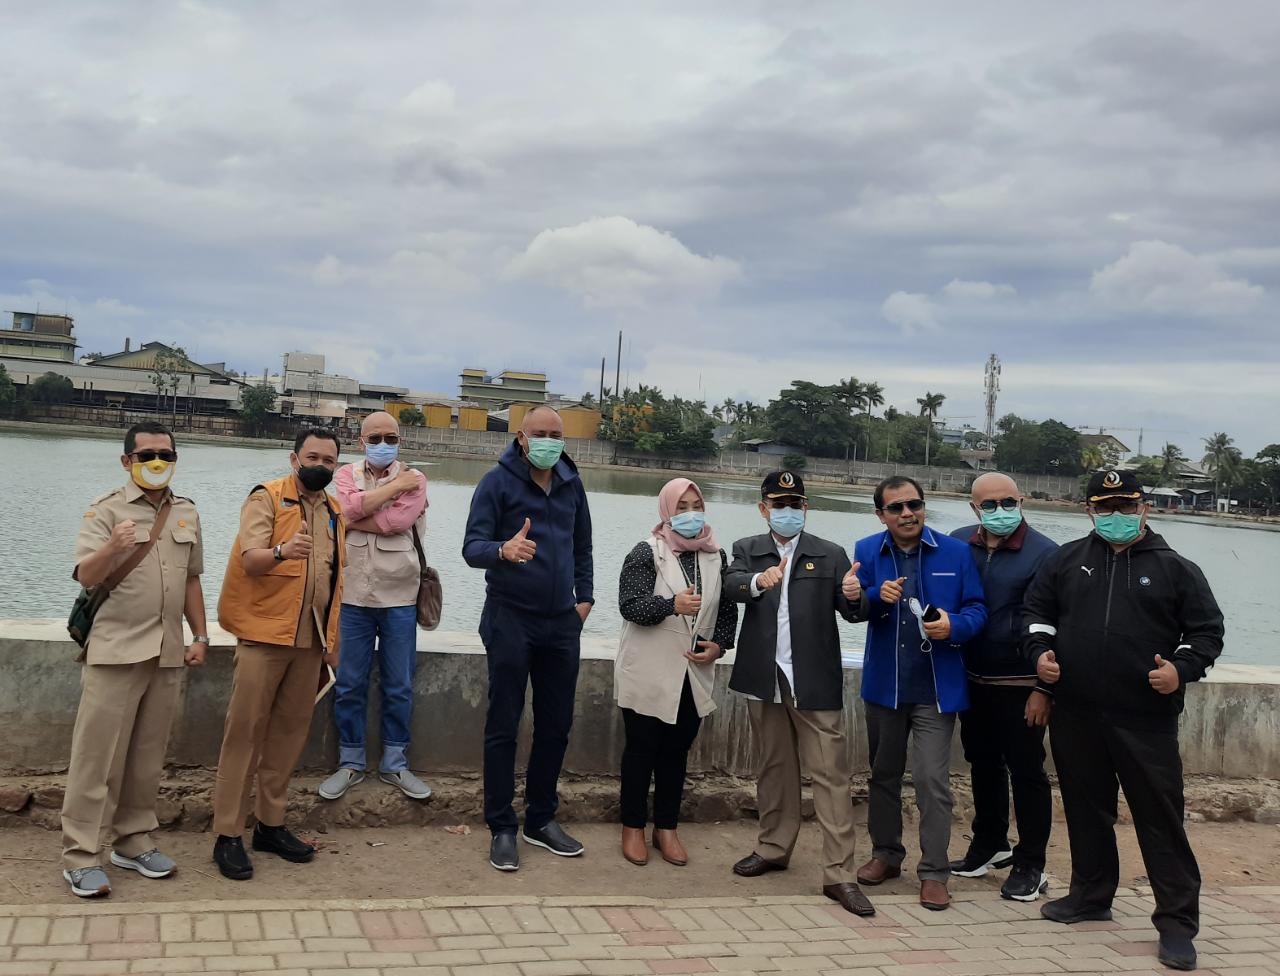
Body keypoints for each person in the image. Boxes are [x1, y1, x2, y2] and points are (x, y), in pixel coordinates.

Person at [1024, 469, 1224, 972]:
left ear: (1144, 509)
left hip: (1145, 720)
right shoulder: (1065, 561)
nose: (1116, 516)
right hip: (1076, 714)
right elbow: (1035, 615)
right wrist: (1040, 655)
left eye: (1125, 506)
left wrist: (1179, 670)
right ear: (1089, 511)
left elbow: (1206, 634)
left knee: (1160, 820)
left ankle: (1177, 924)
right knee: (1086, 810)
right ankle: (1090, 896)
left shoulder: (1177, 569)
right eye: (1105, 507)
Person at [60, 422, 209, 897]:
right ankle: (82, 855)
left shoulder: (186, 511)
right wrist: (113, 547)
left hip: (166, 650)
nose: (157, 462)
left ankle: (133, 840)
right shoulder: (106, 510)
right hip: (115, 649)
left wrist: (201, 634)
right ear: (127, 461)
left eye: (166, 454)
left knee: (147, 757)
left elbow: (191, 579)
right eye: (147, 455)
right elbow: (86, 575)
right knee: (97, 758)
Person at [725, 470, 875, 917]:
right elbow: (731, 585)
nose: (787, 511)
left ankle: (840, 874)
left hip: (813, 679)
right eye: (779, 504)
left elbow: (853, 611)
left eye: (795, 504)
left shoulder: (829, 554)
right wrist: (759, 581)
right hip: (763, 676)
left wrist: (855, 594)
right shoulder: (747, 548)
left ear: (806, 508)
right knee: (774, 768)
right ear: (763, 508)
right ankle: (773, 847)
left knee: (830, 775)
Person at [462, 405, 593, 872]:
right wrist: (504, 549)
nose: (548, 441)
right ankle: (501, 825)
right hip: (510, 618)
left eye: (556, 434)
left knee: (556, 725)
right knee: (504, 723)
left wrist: (585, 600)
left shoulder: (572, 483)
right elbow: (471, 548)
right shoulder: (496, 483)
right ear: (521, 437)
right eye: (540, 433)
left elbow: (583, 547)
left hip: (562, 623)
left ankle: (541, 819)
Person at [210, 427, 345, 881]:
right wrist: (284, 551)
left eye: (329, 460)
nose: (320, 466)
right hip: (264, 636)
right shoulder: (266, 498)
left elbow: (335, 580)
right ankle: (228, 833)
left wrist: (331, 641)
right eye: (313, 457)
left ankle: (270, 825)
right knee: (244, 735)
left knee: (288, 736)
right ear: (294, 459)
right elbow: (250, 559)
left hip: (308, 641)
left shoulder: (334, 511)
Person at [853, 475, 986, 911]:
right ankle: (886, 855)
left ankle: (934, 872)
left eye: (914, 504)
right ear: (881, 515)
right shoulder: (866, 551)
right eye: (896, 508)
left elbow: (977, 610)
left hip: (936, 689)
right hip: (885, 687)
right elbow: (855, 609)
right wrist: (872, 595)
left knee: (931, 780)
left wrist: (953, 625)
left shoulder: (956, 552)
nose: (907, 514)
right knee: (883, 775)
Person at [614, 478, 738, 867]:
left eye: (696, 505)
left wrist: (720, 645)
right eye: (681, 507)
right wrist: (671, 605)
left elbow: (727, 609)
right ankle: (633, 826)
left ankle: (666, 828)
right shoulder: (646, 551)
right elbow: (630, 604)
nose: (690, 514)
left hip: (691, 671)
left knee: (676, 752)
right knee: (641, 751)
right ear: (667, 510)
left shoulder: (716, 556)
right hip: (648, 668)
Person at [948, 473, 1058, 901]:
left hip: (1022, 682)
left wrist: (1044, 689)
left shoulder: (1046, 554)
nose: (1000, 511)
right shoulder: (959, 543)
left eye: (1008, 502)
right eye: (989, 505)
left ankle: (1032, 862)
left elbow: (1054, 624)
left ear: (1021, 501)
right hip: (973, 678)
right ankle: (989, 843)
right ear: (974, 508)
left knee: (1028, 771)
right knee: (982, 763)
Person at [320, 411, 430, 802]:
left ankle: (395, 763)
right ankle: (350, 762)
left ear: (401, 440)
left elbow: (395, 522)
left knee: (399, 684)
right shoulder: (345, 474)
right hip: (352, 597)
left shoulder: (416, 478)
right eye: (376, 437)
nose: (384, 444)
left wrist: (356, 513)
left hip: (401, 597)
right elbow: (345, 511)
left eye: (391, 437)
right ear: (361, 441)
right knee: (349, 683)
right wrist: (391, 490)